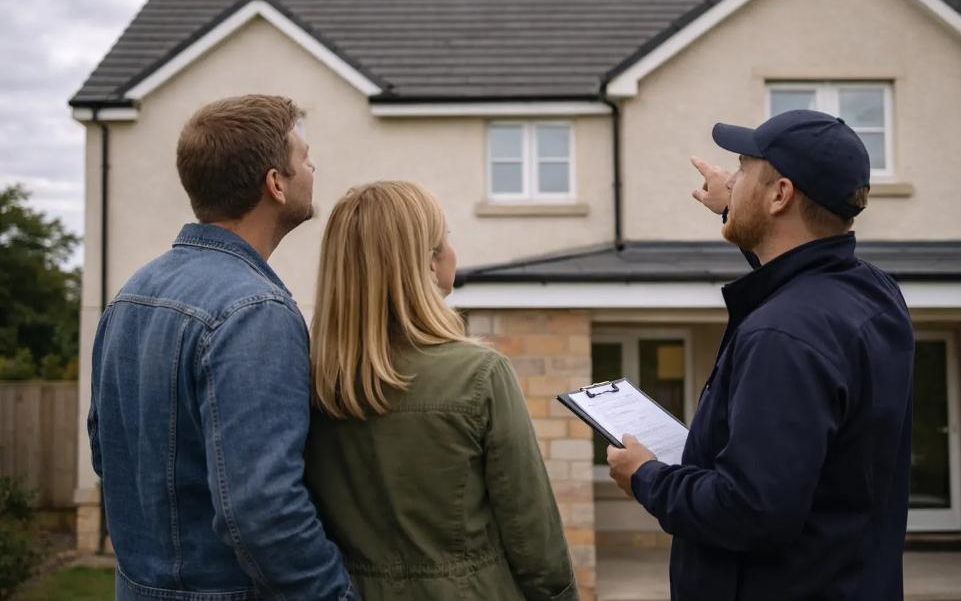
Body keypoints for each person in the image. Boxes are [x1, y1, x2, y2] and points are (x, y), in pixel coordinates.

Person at [607, 110, 915, 600]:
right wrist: (736, 210)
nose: (731, 178)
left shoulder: (783, 336)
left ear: (780, 195)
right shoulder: (872, 293)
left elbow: (750, 510)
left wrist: (647, 476)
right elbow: (797, 268)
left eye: (744, 168)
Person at [88, 95, 358, 600]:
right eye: (304, 157)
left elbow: (108, 455)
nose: (313, 167)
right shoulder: (254, 310)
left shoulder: (130, 294)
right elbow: (264, 510)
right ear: (275, 184)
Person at [304, 181, 578, 601]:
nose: (452, 250)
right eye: (445, 239)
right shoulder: (480, 374)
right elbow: (532, 534)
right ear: (428, 264)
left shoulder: (310, 379)